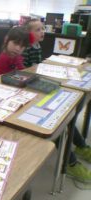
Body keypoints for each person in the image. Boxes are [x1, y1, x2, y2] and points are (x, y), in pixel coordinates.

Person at [22, 20, 91, 183]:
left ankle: (81, 146)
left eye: (43, 29)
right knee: (55, 122)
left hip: (35, 85)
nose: (42, 32)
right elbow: (23, 70)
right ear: (29, 33)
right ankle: (71, 163)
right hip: (26, 92)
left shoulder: (37, 46)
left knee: (66, 115)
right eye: (38, 30)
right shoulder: (25, 48)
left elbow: (35, 67)